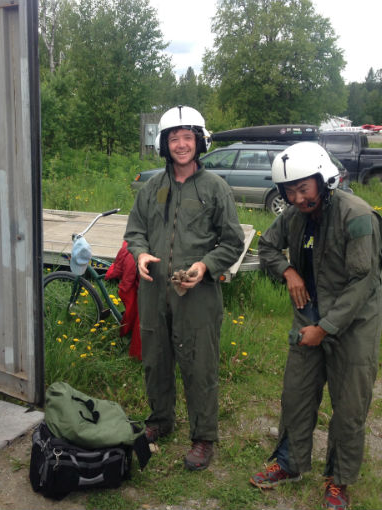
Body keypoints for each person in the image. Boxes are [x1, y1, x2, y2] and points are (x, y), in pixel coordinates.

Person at [250, 142, 382, 509]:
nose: (297, 198)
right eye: (289, 191)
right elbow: (266, 247)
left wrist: (325, 328)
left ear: (323, 180)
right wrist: (288, 270)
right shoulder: (294, 216)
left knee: (349, 405)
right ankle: (290, 463)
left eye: (303, 188)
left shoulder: (356, 215)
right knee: (296, 394)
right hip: (308, 315)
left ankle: (339, 481)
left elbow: (363, 282)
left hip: (354, 323)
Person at [124, 106, 245, 471]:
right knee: (155, 358)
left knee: (199, 363)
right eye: (173, 138)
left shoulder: (215, 188)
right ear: (164, 143)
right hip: (154, 291)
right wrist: (141, 254)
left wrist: (204, 266)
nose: (181, 145)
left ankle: (204, 437)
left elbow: (233, 241)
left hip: (198, 293)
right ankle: (161, 419)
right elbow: (135, 231)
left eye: (187, 138)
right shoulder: (151, 188)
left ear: (199, 141)